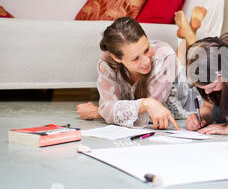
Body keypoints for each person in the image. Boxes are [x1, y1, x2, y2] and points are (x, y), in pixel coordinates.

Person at [76, 7, 207, 129]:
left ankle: (191, 31)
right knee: (177, 60)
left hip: (188, 90)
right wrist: (146, 104)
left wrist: (99, 113)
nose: (145, 62)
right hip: (170, 68)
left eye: (146, 49)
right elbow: (142, 107)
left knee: (191, 63)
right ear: (117, 58)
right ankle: (190, 29)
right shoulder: (107, 64)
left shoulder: (164, 56)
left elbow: (153, 115)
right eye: (135, 58)